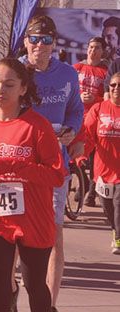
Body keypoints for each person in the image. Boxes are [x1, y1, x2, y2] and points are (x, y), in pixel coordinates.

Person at [0, 57, 66, 312]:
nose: (0, 91)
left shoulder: (37, 127)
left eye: (8, 85)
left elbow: (57, 175)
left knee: (34, 284)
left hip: (33, 217)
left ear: (23, 88)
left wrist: (11, 166)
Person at [19, 16, 84, 311]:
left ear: (54, 44)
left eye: (46, 40)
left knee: (53, 234)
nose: (39, 46)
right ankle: (9, 298)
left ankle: (50, 303)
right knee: (14, 232)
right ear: (25, 41)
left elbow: (75, 110)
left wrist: (71, 128)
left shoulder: (68, 74)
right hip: (19, 161)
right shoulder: (16, 70)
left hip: (55, 163)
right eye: (34, 39)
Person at [83, 72, 120, 254]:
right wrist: (81, 156)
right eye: (113, 85)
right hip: (103, 171)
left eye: (119, 85)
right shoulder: (98, 109)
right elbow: (88, 137)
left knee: (119, 204)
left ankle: (119, 239)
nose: (116, 89)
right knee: (108, 207)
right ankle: (115, 230)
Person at [73, 37, 109, 207]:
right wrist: (79, 97)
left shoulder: (106, 72)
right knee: (76, 155)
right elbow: (68, 92)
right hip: (78, 118)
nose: (93, 50)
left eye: (97, 48)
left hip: (97, 119)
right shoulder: (76, 68)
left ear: (102, 52)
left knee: (96, 157)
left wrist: (96, 98)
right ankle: (83, 182)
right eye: (91, 46)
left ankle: (92, 192)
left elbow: (110, 98)